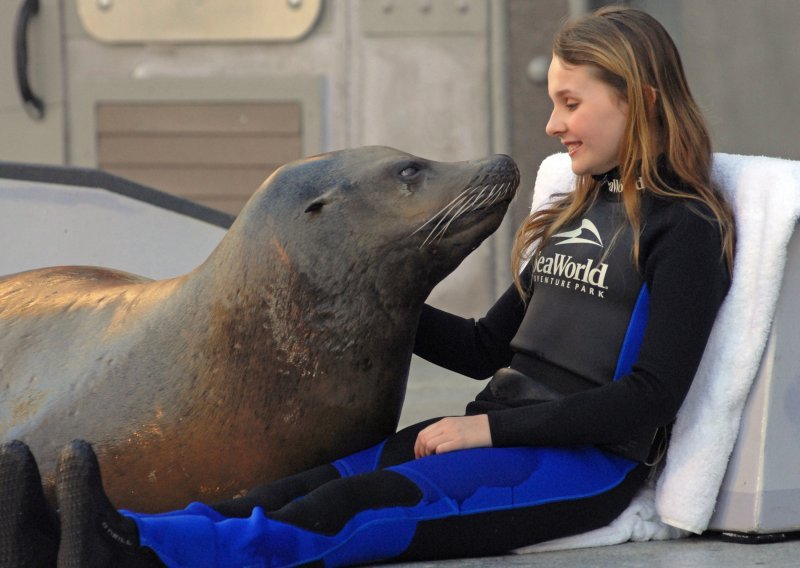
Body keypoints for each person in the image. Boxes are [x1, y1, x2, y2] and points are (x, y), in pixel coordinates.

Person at [1, 6, 735, 568]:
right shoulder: (576, 212)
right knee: (294, 489)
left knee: (352, 510)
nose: (552, 125)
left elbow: (647, 397)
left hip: (574, 465)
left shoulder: (685, 229)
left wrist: (487, 430)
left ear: (637, 99)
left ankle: (139, 553)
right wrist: (353, 286)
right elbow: (487, 347)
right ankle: (89, 533)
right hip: (489, 434)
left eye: (571, 104)